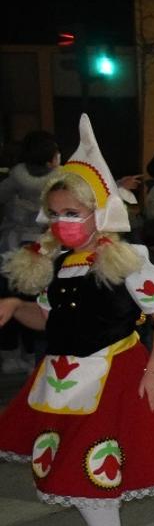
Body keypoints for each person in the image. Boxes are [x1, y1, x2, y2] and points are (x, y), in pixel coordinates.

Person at [0, 115, 154, 526]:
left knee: (86, 470)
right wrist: (17, 309)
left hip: (112, 377)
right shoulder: (56, 264)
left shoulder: (126, 259)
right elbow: (53, 323)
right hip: (62, 381)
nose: (62, 221)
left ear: (99, 211)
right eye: (55, 212)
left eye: (72, 211)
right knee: (63, 470)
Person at [0, 130, 60, 373]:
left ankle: (10, 355)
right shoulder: (60, 181)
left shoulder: (14, 178)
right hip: (46, 247)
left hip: (12, 248)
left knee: (11, 301)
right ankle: (37, 355)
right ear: (50, 158)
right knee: (43, 302)